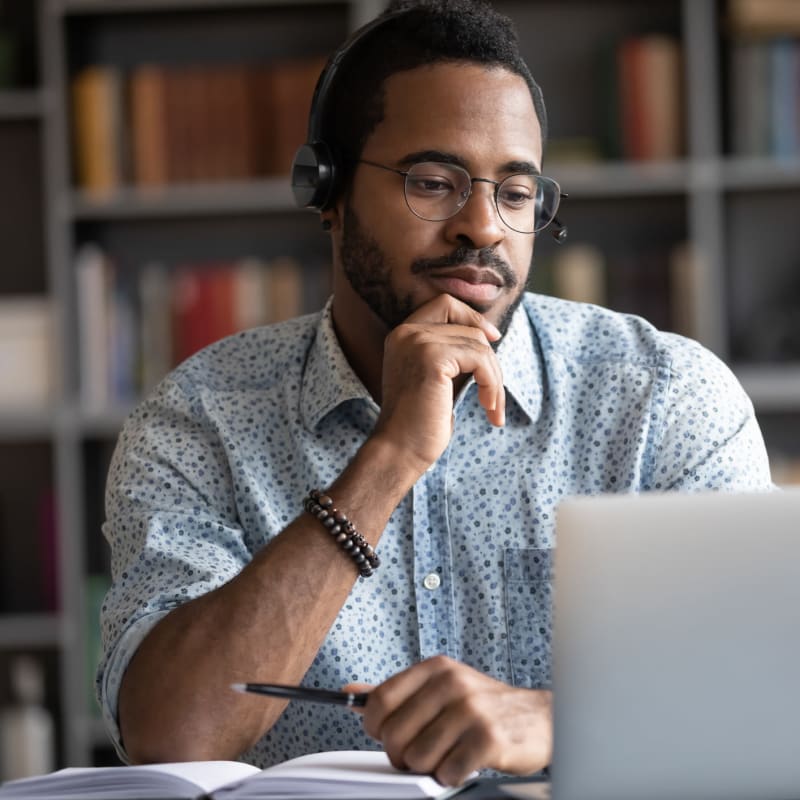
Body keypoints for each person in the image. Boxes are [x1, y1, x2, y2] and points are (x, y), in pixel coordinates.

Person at [96, 0, 772, 787]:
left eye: (515, 194)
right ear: (330, 192)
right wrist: (388, 460)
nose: (482, 227)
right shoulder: (199, 420)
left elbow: (758, 703)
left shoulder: (662, 399)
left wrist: (561, 718)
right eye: (433, 182)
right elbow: (171, 736)